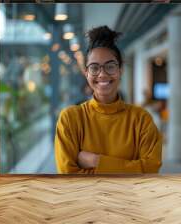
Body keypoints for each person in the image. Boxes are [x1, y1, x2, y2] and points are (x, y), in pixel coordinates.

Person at [54, 26, 162, 174]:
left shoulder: (141, 120)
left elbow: (150, 170)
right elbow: (69, 177)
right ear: (86, 73)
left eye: (110, 66)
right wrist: (130, 168)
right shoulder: (70, 119)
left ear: (120, 70)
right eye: (94, 68)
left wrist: (95, 161)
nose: (102, 74)